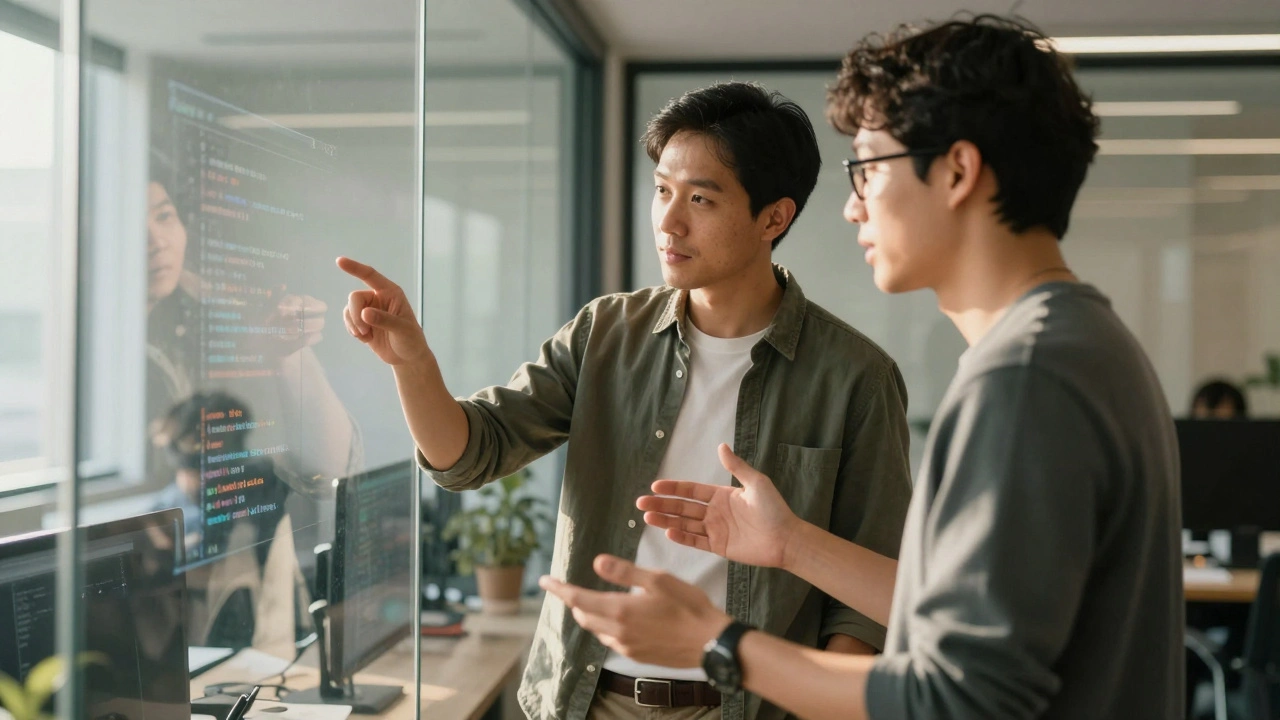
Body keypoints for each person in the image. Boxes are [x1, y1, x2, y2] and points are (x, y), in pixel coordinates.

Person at [542, 15, 1183, 720]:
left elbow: (959, 696)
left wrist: (714, 642)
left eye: (869, 168)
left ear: (959, 172)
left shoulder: (1023, 376)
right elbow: (966, 618)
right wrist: (791, 545)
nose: (851, 208)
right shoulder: (1085, 341)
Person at [339, 82, 914, 720]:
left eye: (700, 198)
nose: (669, 221)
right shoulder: (606, 333)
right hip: (584, 699)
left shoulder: (857, 376)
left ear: (773, 218)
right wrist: (413, 363)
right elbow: (469, 455)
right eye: (663, 190)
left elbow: (868, 602)